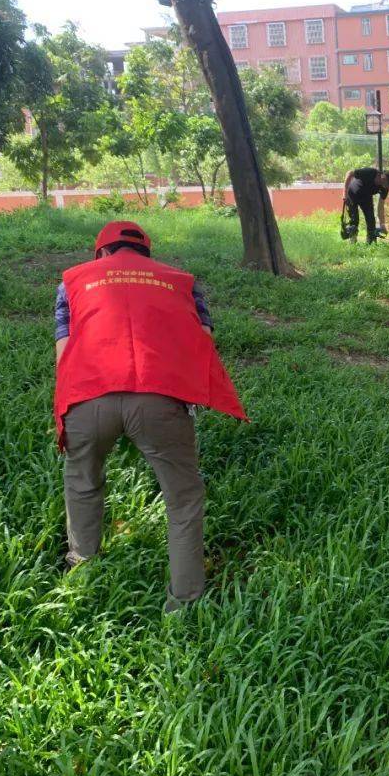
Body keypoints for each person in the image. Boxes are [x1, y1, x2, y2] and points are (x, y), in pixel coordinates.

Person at [53, 221, 248, 612]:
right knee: (183, 499)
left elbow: (64, 353)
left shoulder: (72, 282)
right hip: (160, 398)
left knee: (83, 482)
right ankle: (184, 604)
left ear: (102, 253)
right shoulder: (182, 282)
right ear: (146, 253)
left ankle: (81, 573)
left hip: (91, 395)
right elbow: (202, 344)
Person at [342, 167, 389, 244]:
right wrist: (344, 193)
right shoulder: (370, 172)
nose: (388, 186)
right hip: (352, 194)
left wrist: (382, 224)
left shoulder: (385, 188)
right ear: (383, 177)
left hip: (366, 197)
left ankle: (370, 243)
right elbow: (349, 173)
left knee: (371, 220)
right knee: (354, 219)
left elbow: (380, 207)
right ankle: (352, 242)